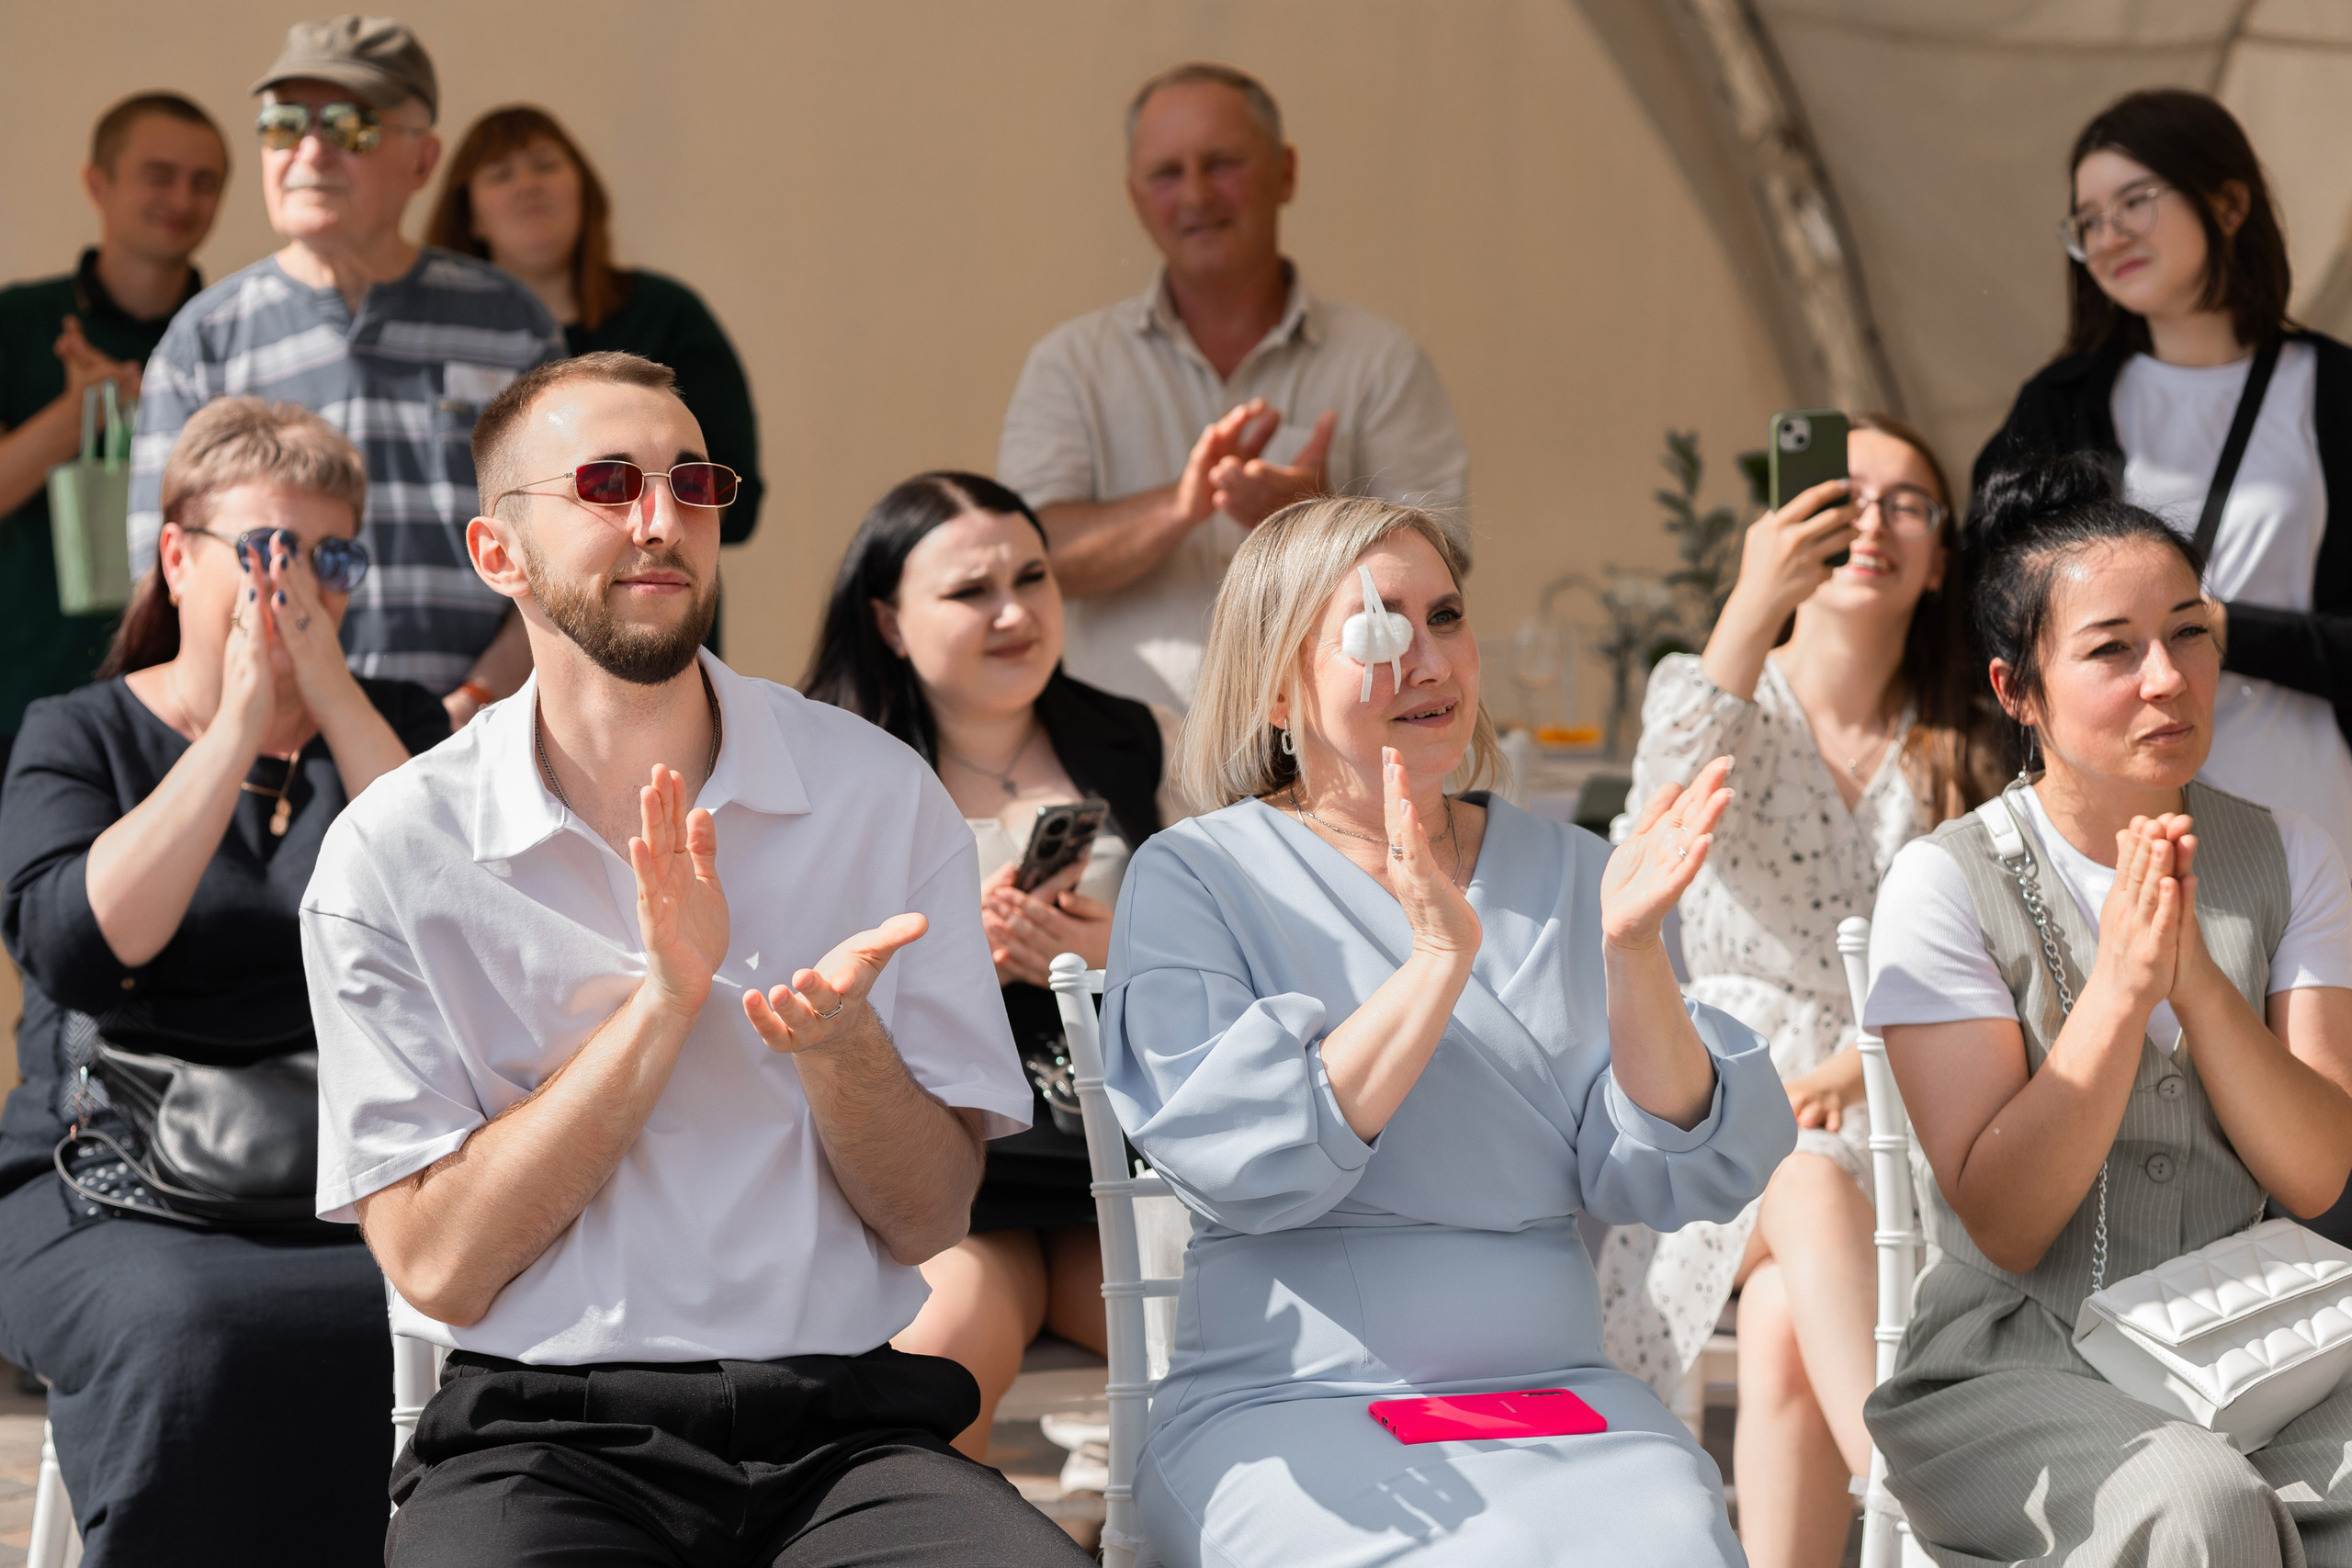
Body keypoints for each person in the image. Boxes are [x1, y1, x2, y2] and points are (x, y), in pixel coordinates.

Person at [302, 352, 1094, 1566]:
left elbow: (932, 1212)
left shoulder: (877, 796)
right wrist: (664, 1005)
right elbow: (441, 1265)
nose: (663, 520)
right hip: (539, 1431)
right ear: (497, 552)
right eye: (609, 484)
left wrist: (845, 1053)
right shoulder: (396, 850)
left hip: (850, 1423)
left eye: (693, 482)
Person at [1100, 494, 1797, 1566]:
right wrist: (1435, 961)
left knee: (1673, 1539)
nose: (1427, 661)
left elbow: (1670, 1175)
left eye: (1447, 617)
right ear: (1279, 685)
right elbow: (1240, 1158)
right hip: (1292, 1401)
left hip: (1556, 1397)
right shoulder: (1198, 875)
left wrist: (1633, 953)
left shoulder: (1573, 868)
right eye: (1380, 629)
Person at [1862, 456, 2352, 1567]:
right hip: (2012, 1371)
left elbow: (2319, 1171)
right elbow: (2005, 1219)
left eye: (2187, 633)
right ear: (2014, 691)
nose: (2166, 678)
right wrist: (2124, 989)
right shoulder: (1943, 883)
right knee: (2198, 1508)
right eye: (2110, 650)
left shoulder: (2291, 855)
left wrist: (2195, 984)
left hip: (2261, 1343)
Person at [0, 398, 450, 1564]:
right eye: (262, 553)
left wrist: (332, 702)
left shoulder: (390, 728)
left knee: (497, 1324)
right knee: (190, 1337)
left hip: (363, 1176)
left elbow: (456, 933)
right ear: (175, 558)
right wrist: (235, 726)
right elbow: (84, 951)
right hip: (110, 1181)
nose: (295, 588)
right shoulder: (79, 732)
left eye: (330, 556)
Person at [1604, 414, 2000, 1568]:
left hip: (1912, 1114)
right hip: (1725, 1110)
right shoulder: (1720, 700)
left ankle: (1917, 1524)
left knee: (1782, 1323)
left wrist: (1855, 1067)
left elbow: (1996, 959)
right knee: (1798, 1169)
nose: (1871, 521)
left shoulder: (1965, 740)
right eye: (1842, 494)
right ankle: (1938, 1518)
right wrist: (1749, 603)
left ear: (1940, 558)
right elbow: (1645, 836)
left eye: (1907, 503)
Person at [802, 470, 1184, 1461]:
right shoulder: (828, 764)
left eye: (1033, 577)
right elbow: (785, 987)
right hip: (950, 1184)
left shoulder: (1139, 737)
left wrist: (1111, 953)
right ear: (888, 620)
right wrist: (943, 962)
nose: (1015, 612)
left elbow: (1229, 949)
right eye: (971, 591)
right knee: (931, 1376)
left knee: (1238, 1357)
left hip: (1124, 1163)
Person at [130, 16, 564, 732]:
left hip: (479, 737)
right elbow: (159, 576)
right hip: (274, 747)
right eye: (283, 124)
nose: (309, 150)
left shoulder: (512, 323)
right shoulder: (202, 341)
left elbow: (563, 549)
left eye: (350, 126)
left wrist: (472, 709)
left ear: (422, 162)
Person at [998, 62, 1469, 713]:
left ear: (1286, 173)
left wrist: (1321, 517)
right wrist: (1180, 507)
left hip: (1332, 755)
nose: (1195, 195)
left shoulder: (1381, 359)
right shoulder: (1071, 364)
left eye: (1221, 163)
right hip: (1127, 767)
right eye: (1167, 173)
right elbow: (1027, 564)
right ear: (1136, 198)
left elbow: (1447, 569)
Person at [1975, 89, 2352, 868]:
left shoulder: (2334, 387)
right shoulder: (2059, 403)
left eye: (2134, 202)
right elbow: (1998, 602)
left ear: (2229, 201)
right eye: (2088, 221)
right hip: (2115, 817)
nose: (2109, 236)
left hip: (2309, 800)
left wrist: (2221, 629)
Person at [0, 92, 227, 776]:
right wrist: (79, 416)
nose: (182, 198)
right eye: (158, 175)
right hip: (20, 693)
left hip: (184, 706)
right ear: (97, 183)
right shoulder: (19, 321)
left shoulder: (232, 331)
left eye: (205, 181)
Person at [425, 105, 763, 558]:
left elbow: (733, 493)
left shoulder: (668, 314)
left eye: (546, 165)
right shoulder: (436, 334)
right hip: (484, 602)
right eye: (500, 174)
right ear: (471, 216)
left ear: (584, 191)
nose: (528, 185)